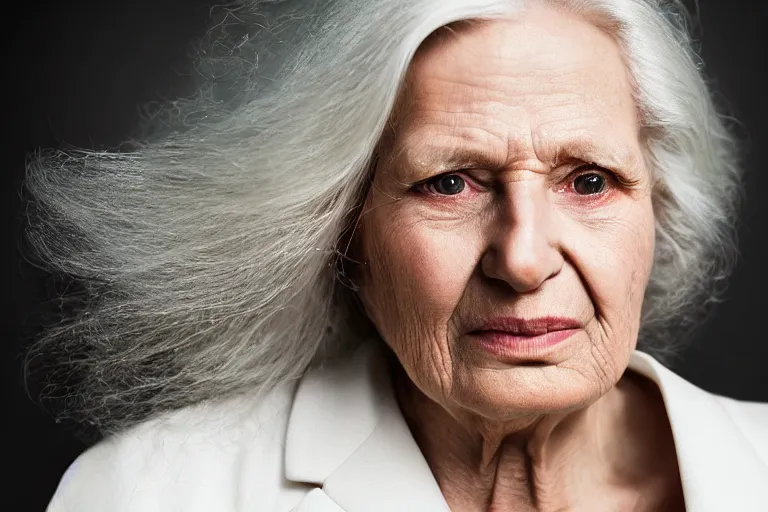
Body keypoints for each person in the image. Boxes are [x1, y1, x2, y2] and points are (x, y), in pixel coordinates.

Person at [26, 0, 767, 510]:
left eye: (590, 180)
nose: (524, 257)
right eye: (449, 183)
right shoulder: (148, 494)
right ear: (344, 231)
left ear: (658, 212)